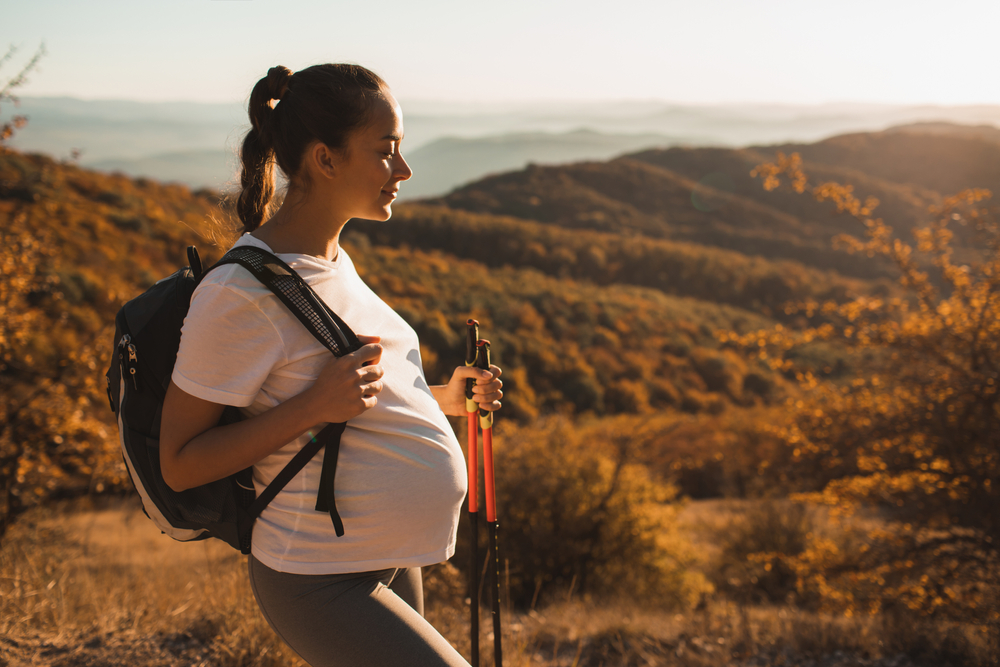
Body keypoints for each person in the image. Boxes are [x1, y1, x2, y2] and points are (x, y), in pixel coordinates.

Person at [159, 64, 502, 667]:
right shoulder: (239, 293)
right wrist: (312, 408)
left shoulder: (330, 258)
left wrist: (446, 399)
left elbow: (353, 388)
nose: (404, 169)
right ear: (325, 159)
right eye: (387, 151)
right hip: (317, 573)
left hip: (385, 558)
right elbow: (180, 463)